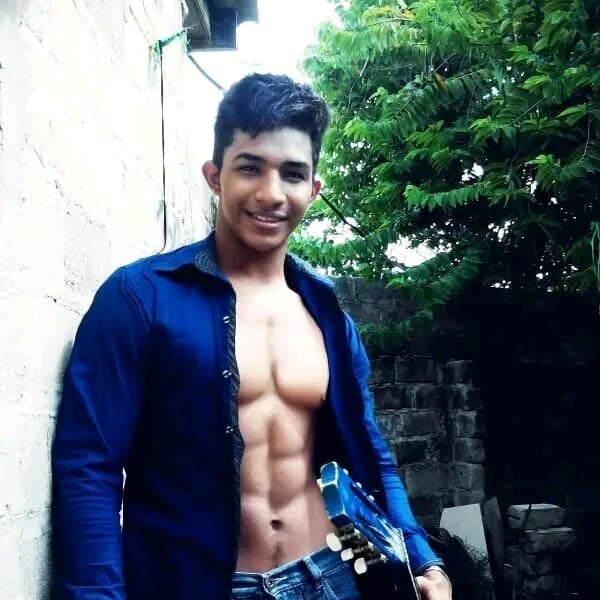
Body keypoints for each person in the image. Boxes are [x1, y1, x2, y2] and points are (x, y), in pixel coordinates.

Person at [52, 73, 452, 600]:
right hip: (195, 585)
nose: (271, 193)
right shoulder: (139, 298)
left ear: (313, 189)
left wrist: (424, 560)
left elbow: (371, 452)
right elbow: (89, 467)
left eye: (292, 174)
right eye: (250, 167)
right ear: (214, 176)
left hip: (331, 577)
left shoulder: (328, 315)